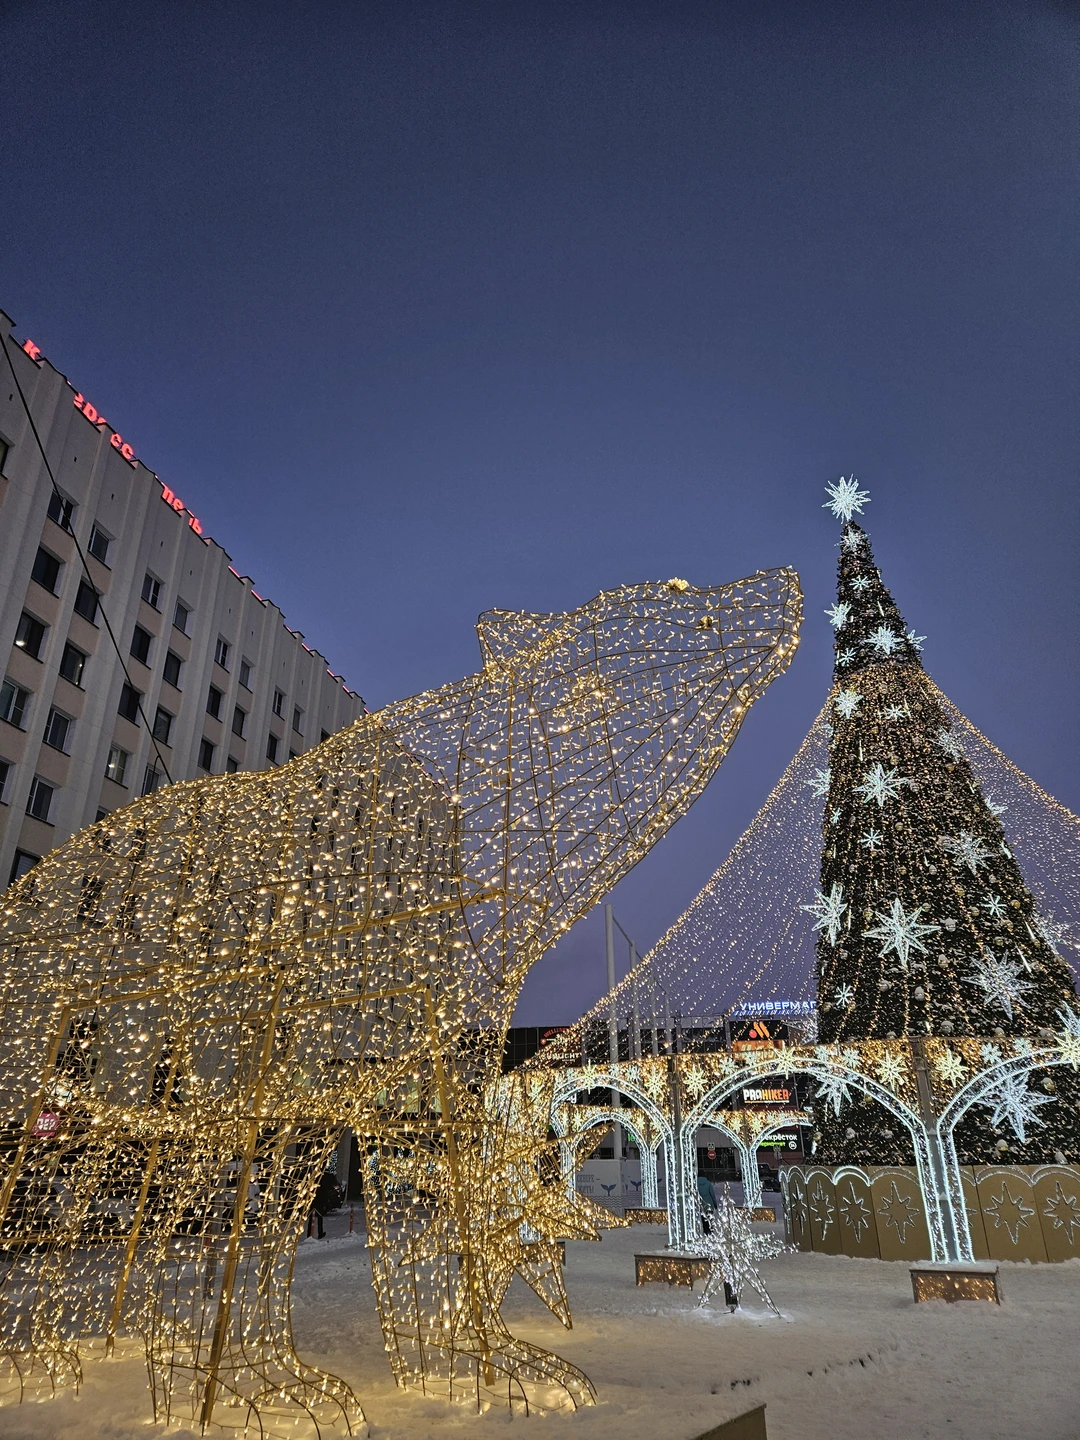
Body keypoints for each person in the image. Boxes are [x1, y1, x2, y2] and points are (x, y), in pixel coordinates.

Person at [309, 1170, 340, 1239]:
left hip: (313, 1199)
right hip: (321, 1200)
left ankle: (310, 1234)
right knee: (320, 1216)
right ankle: (320, 1233)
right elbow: (327, 1190)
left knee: (312, 1217)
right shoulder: (325, 1178)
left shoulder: (313, 1177)